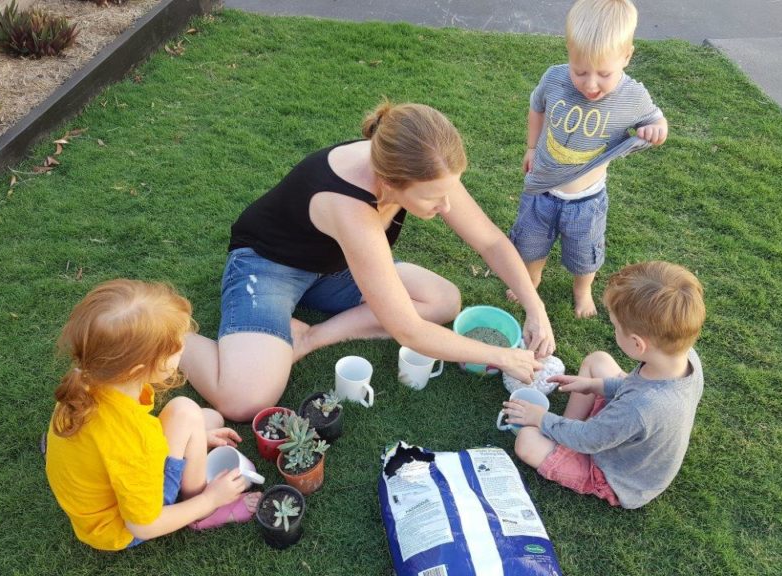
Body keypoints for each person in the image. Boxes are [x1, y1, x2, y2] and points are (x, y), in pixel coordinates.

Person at [180, 101, 555, 422]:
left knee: (443, 300)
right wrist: (503, 356)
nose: (446, 207)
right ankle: (172, 335)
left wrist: (534, 306)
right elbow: (408, 330)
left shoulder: (423, 165)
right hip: (269, 267)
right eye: (433, 199)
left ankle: (309, 336)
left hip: (336, 264)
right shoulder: (349, 204)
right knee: (245, 400)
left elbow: (489, 240)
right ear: (390, 184)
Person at [44, 280, 259, 551]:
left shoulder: (88, 381)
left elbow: (119, 449)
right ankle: (203, 514)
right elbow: (144, 524)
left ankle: (195, 447)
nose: (184, 347)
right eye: (178, 346)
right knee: (190, 412)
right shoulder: (134, 439)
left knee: (201, 417)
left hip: (104, 492)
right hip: (120, 527)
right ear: (139, 368)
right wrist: (211, 499)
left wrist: (197, 438)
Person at [507, 0, 668, 318]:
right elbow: (536, 107)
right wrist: (530, 147)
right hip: (542, 190)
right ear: (568, 52)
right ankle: (532, 278)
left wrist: (656, 130)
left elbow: (655, 119)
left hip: (587, 201)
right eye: (580, 71)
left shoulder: (632, 96)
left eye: (604, 74)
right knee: (530, 243)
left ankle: (582, 292)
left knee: (584, 255)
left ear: (627, 56)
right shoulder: (555, 79)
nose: (590, 84)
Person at [503, 261, 705, 509]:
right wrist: (595, 385)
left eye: (615, 327)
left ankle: (563, 437)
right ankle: (565, 433)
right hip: (626, 432)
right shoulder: (684, 358)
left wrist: (540, 418)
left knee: (526, 441)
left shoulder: (640, 408)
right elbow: (634, 386)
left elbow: (591, 439)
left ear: (637, 344)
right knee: (597, 361)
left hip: (616, 475)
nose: (613, 331)